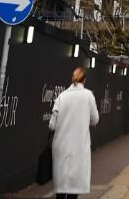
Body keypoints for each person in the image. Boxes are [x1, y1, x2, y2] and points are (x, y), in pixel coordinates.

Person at [49, 66, 99, 199]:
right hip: (79, 147)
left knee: (61, 188)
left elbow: (52, 125)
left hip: (61, 147)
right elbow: (95, 120)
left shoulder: (62, 96)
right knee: (73, 189)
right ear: (85, 80)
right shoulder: (88, 96)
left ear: (72, 79)